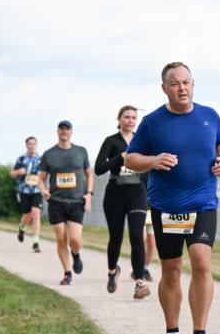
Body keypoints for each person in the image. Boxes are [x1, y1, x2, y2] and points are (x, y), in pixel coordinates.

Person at [125, 62, 220, 334]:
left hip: (203, 203)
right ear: (164, 88)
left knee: (201, 262)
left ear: (193, 84)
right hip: (166, 207)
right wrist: (153, 160)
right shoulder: (152, 122)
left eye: (186, 82)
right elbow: (130, 158)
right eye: (175, 83)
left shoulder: (210, 116)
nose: (182, 88)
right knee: (171, 269)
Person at [95, 105, 151, 300]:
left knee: (137, 236)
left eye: (133, 117)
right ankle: (112, 271)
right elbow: (99, 168)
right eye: (126, 117)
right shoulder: (111, 141)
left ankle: (139, 282)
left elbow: (148, 167)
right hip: (115, 193)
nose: (130, 120)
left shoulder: (141, 141)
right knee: (116, 237)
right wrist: (120, 157)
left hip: (137, 192)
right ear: (119, 119)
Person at [38, 120, 93, 286]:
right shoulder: (49, 154)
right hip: (56, 201)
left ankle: (76, 254)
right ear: (57, 131)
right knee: (61, 238)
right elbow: (40, 179)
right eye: (61, 128)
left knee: (75, 239)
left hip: (76, 201)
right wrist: (43, 190)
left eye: (67, 128)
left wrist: (89, 194)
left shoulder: (81, 151)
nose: (64, 131)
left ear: (71, 131)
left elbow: (89, 174)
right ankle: (67, 273)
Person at [10, 136, 43, 253]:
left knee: (36, 213)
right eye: (30, 144)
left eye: (34, 144)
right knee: (26, 215)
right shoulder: (21, 158)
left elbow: (46, 174)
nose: (32, 146)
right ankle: (22, 227)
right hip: (24, 190)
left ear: (36, 145)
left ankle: (35, 243)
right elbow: (12, 173)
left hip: (37, 190)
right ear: (26, 145)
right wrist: (19, 171)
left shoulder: (41, 159)